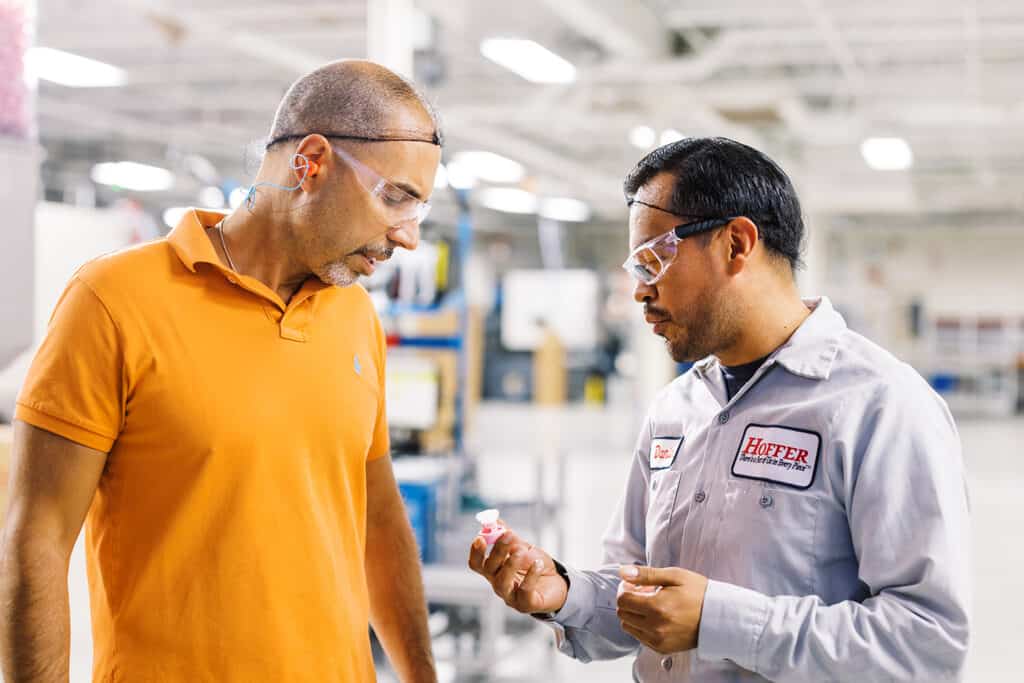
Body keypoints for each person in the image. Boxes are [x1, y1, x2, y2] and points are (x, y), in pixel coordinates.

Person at [0, 60, 443, 682]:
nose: (408, 237)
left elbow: (377, 516)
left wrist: (422, 677)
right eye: (396, 196)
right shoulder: (113, 301)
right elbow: (36, 541)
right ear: (310, 162)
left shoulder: (355, 317)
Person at [468, 137, 970, 681]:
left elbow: (926, 643)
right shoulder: (676, 408)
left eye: (654, 258)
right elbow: (637, 590)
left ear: (736, 243)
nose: (639, 291)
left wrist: (720, 620)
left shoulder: (879, 405)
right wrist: (563, 593)